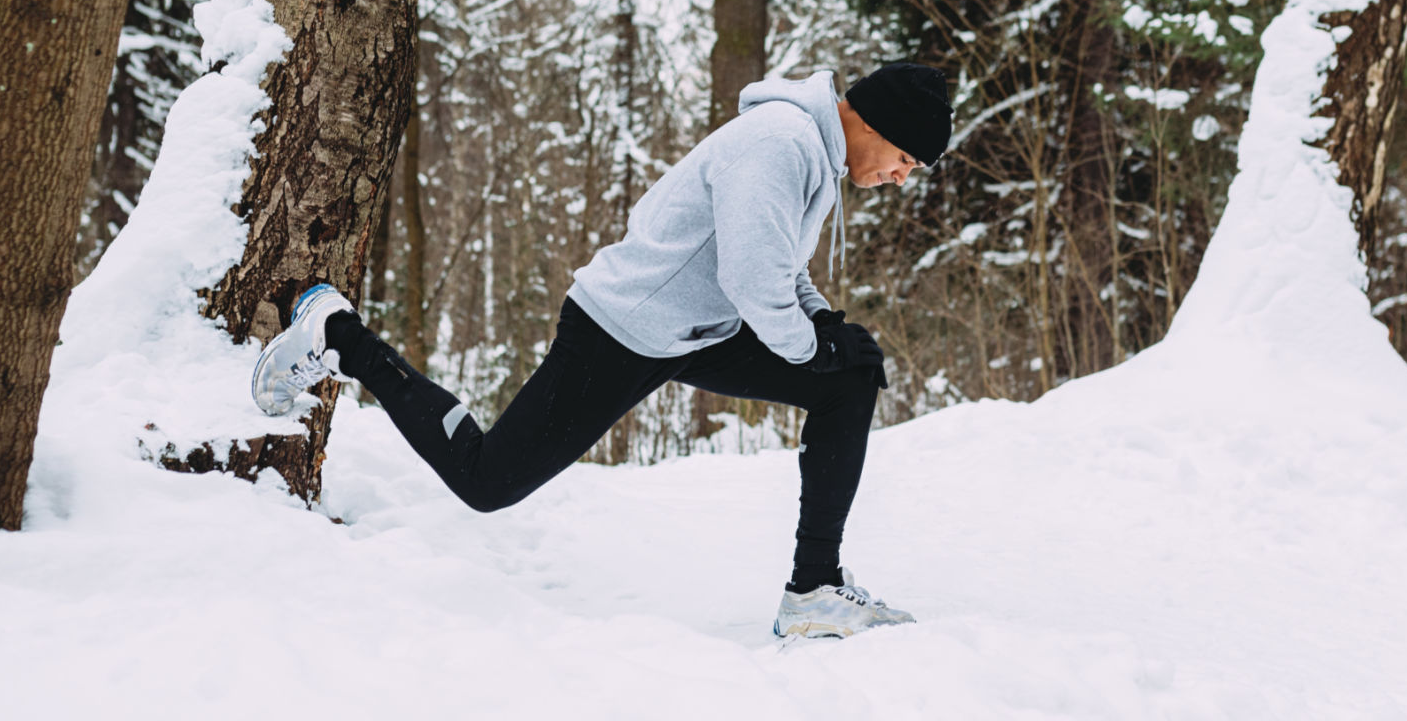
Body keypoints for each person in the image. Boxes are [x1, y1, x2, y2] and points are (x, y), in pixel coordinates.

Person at [250, 62, 953, 639]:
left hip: (696, 330)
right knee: (486, 481)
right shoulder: (782, 142)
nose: (901, 177)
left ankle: (814, 589)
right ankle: (339, 336)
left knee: (849, 379)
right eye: (904, 159)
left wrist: (824, 327)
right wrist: (812, 348)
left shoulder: (815, 155)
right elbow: (750, 279)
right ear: (872, 123)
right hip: (624, 325)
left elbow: (779, 268)